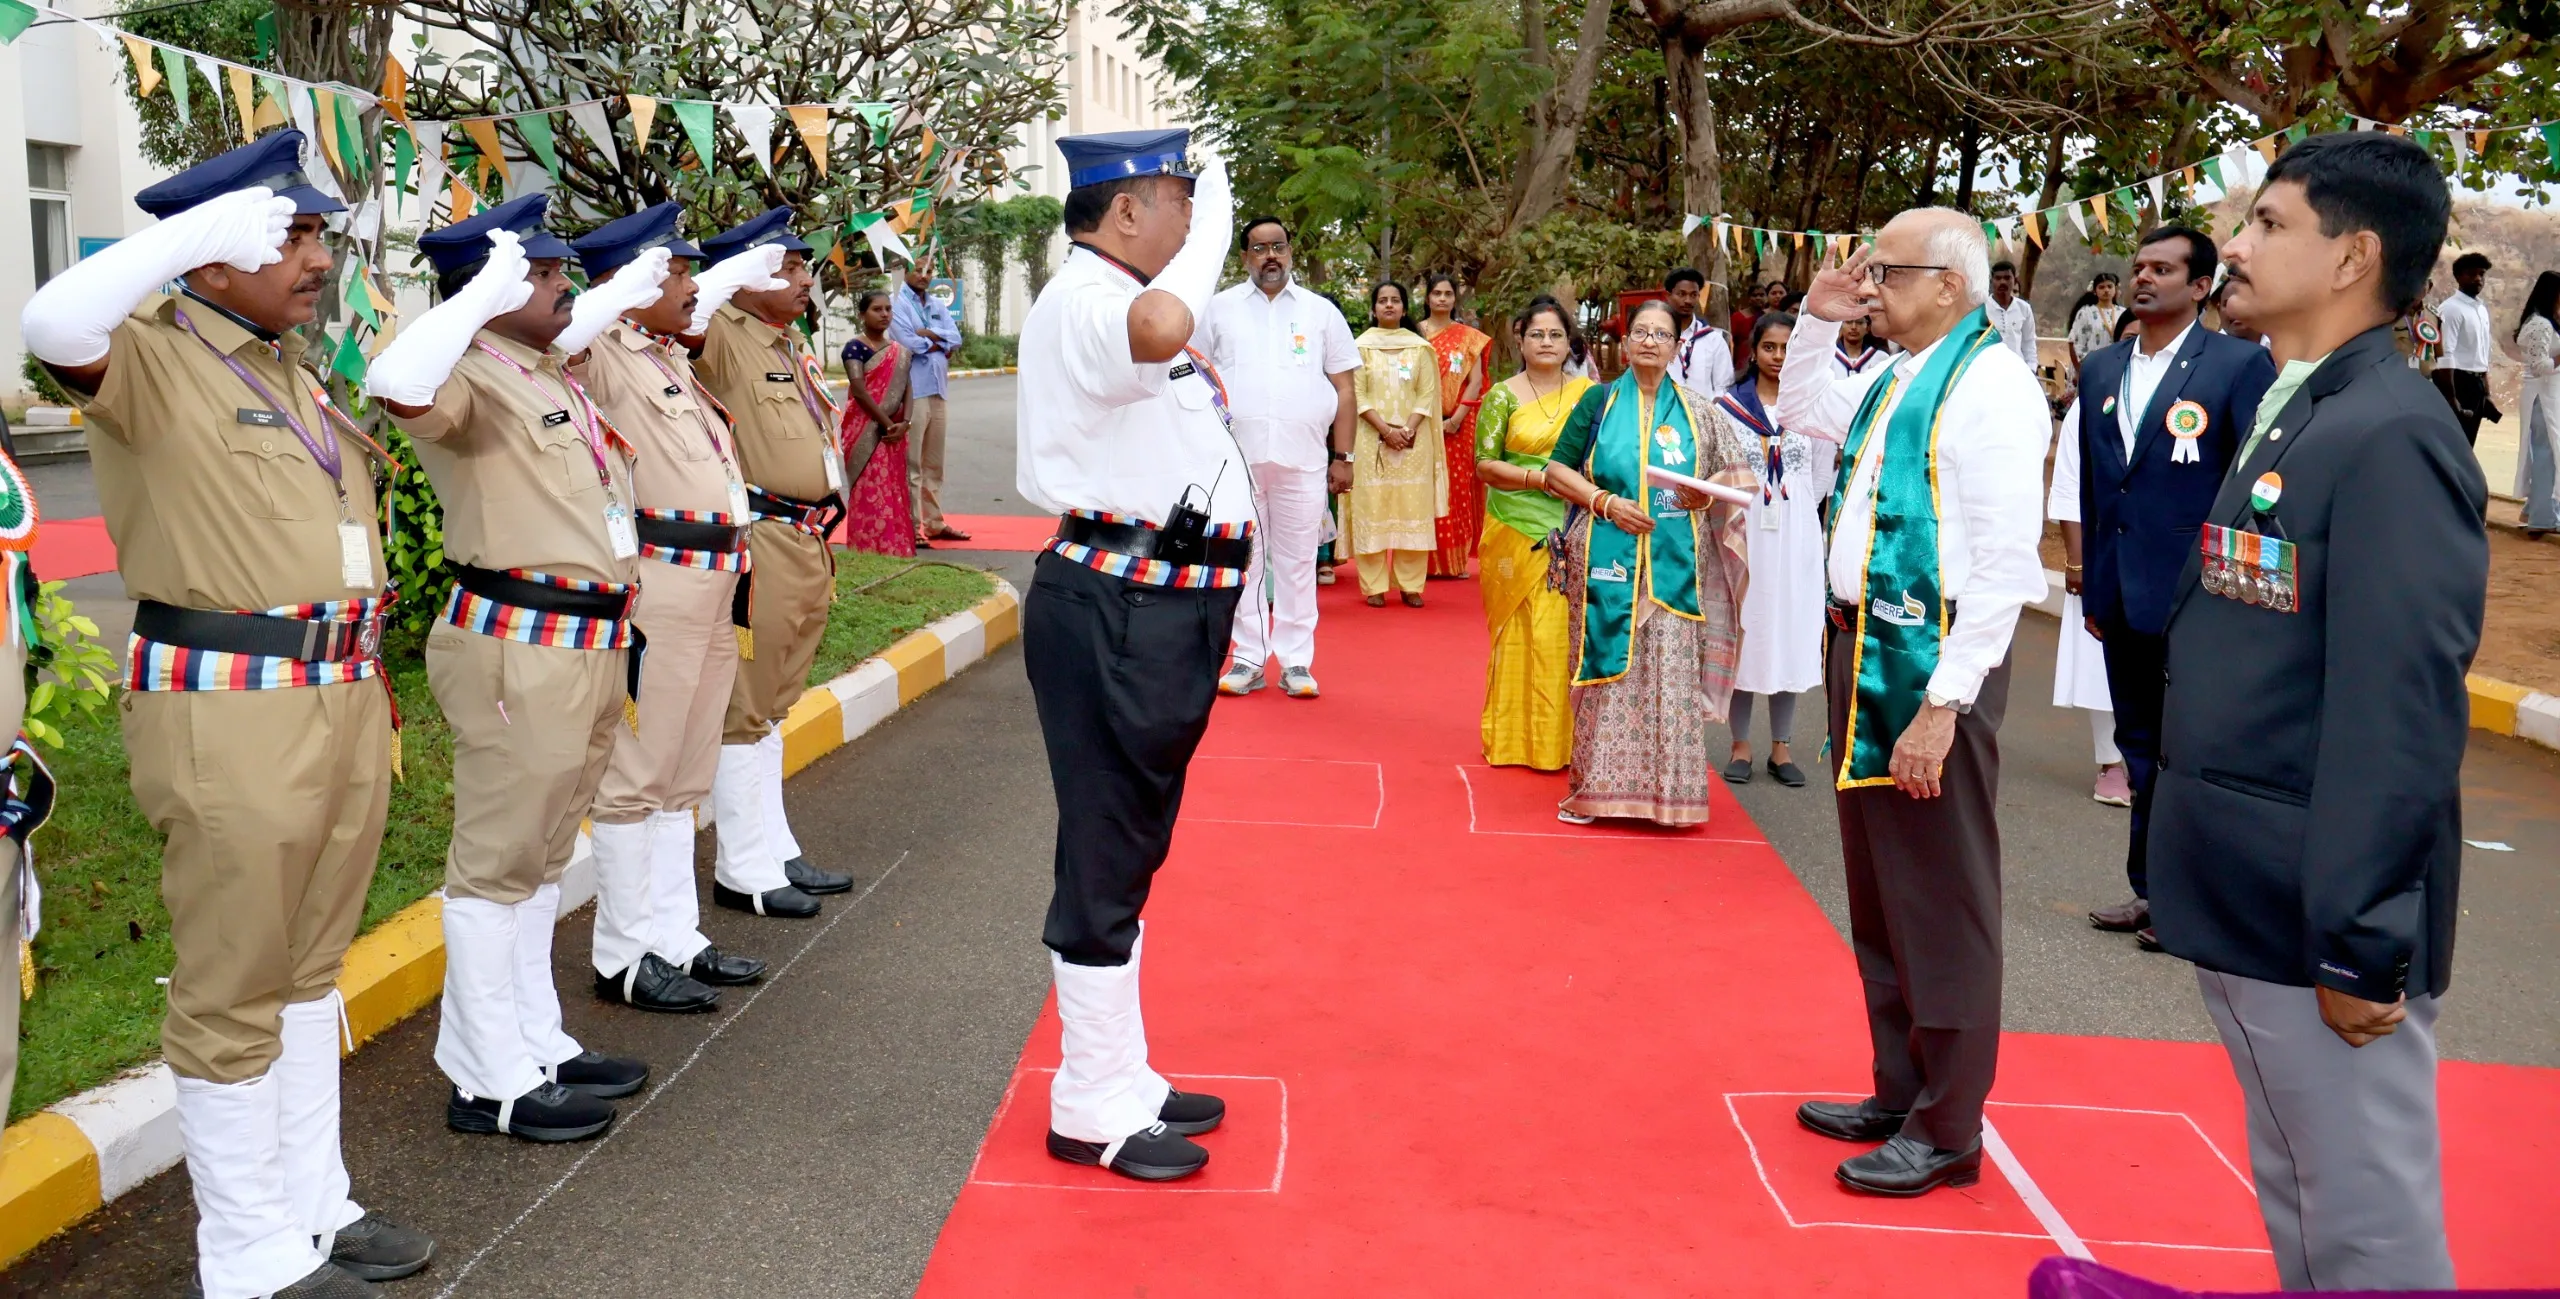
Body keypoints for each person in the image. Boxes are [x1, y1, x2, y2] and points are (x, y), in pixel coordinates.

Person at [22, 131, 435, 1294]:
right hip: (233, 705)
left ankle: (315, 1207)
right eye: (287, 236)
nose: (313, 259)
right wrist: (181, 240)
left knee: (308, 969)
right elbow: (50, 326)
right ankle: (248, 1259)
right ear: (208, 257)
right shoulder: (155, 358)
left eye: (316, 234)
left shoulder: (283, 365)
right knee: (233, 983)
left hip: (340, 694)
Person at [2150, 131, 2483, 1293]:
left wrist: (2358, 941)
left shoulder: (2388, 430)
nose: (2232, 248)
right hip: (2258, 894)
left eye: (2270, 225)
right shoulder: (2307, 408)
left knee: (2364, 1232)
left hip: (2316, 918)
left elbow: (2397, 713)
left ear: (2352, 258)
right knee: (2308, 1202)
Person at [365, 195, 654, 1150]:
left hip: (588, 644)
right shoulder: (466, 373)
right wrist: (476, 299)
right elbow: (395, 388)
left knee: (539, 857)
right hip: (518, 646)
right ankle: (487, 1078)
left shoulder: (542, 370)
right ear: (486, 290)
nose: (561, 284)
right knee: (495, 865)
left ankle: (536, 1043)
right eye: (540, 273)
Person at [1774, 210, 2050, 1197]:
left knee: (1940, 897)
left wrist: (1942, 706)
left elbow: (2008, 564)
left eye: (1886, 272)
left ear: (1948, 283)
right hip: (1863, 649)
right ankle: (1899, 1087)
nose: (1870, 284)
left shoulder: (1992, 389)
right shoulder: (1897, 376)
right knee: (1882, 894)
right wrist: (1815, 320)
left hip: (1929, 670)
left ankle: (1947, 1125)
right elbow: (1804, 411)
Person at [1015, 128, 1245, 1182]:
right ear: (1124, 212)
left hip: (1161, 602)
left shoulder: (1109, 298)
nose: (1193, 222)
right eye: (1178, 200)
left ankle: (1126, 1071)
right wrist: (1219, 236)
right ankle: (1088, 1102)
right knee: (1106, 850)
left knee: (1132, 843)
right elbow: (1162, 321)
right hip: (1118, 604)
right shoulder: (1095, 300)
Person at [563, 204, 769, 1015]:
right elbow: (567, 341)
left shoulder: (661, 355)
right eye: (674, 272)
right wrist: (615, 296)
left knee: (683, 773)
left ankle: (673, 934)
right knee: (636, 776)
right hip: (664, 577)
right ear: (627, 281)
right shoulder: (603, 350)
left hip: (714, 580)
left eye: (685, 271)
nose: (689, 286)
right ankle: (623, 951)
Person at [2072, 225, 2277, 944]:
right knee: (2139, 745)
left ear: (2200, 287)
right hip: (2121, 598)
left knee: (2194, 750)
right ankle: (2151, 888)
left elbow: (2255, 492)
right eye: (2138, 266)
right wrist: (2094, 588)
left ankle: (2196, 901)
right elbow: (2099, 491)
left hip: (2200, 600)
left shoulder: (2237, 366)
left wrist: (2241, 596)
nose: (2143, 278)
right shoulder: (2099, 370)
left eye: (2163, 268)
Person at [692, 208, 857, 918]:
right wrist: (727, 276)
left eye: (803, 265)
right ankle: (743, 868)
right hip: (762, 534)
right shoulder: (722, 334)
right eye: (785, 267)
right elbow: (687, 314)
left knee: (774, 702)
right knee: (746, 706)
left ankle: (774, 846)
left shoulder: (785, 343)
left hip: (804, 537)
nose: (802, 279)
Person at [1538, 300, 1754, 825]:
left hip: (1675, 566)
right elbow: (1554, 471)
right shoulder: (1599, 402)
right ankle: (1594, 790)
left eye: (1662, 334)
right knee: (1604, 672)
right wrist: (1605, 502)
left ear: (1677, 347)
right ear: (1626, 343)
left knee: (1668, 676)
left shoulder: (1702, 412)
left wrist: (1703, 498)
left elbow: (1737, 479)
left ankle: (1671, 800)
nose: (1650, 342)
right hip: (1605, 560)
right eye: (1641, 333)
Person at [1202, 215, 1358, 699]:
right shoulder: (1218, 310)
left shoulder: (1320, 313)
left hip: (1304, 459)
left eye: (1279, 247)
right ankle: (1248, 659)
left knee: (1296, 562)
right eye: (1259, 248)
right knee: (1245, 562)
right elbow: (1196, 378)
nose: (1271, 256)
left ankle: (1296, 663)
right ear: (1245, 256)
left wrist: (1344, 455)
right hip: (1235, 463)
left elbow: (1346, 388)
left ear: (1290, 252)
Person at [1472, 297, 1591, 771]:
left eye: (1555, 335)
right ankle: (1510, 740)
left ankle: (1555, 743)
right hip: (1512, 524)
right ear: (1519, 341)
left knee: (1558, 632)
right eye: (1537, 334)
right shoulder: (1503, 394)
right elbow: (1484, 463)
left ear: (1569, 344)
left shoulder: (1588, 395)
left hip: (1569, 523)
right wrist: (1539, 479)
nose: (1546, 342)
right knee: (1516, 631)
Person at [1716, 312, 1832, 788]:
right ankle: (1741, 745)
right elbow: (1719, 467)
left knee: (1790, 633)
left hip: (1797, 533)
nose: (1778, 358)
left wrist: (1796, 508)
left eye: (1787, 348)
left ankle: (1781, 747)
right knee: (1751, 631)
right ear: (1754, 351)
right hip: (1747, 533)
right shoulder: (1727, 407)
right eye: (1769, 348)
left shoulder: (1811, 406)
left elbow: (1822, 474)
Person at [2047, 389, 2128, 810]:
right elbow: (2069, 478)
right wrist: (2077, 560)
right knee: (2101, 657)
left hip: (2170, 546)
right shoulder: (2100, 390)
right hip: (2103, 542)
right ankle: (2111, 762)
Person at [1348, 281, 1446, 607]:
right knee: (1372, 505)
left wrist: (1407, 428)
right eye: (1382, 301)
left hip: (1414, 442)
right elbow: (1357, 395)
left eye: (1395, 301)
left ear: (1404, 308)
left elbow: (1427, 393)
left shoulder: (1420, 348)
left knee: (1411, 506)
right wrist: (1385, 430)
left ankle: (1410, 585)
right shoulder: (1360, 348)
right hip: (1370, 439)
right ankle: (1374, 585)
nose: (1389, 306)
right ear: (1373, 309)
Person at [892, 252, 970, 543]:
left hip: (938, 389)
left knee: (934, 464)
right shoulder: (896, 303)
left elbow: (956, 338)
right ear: (907, 271)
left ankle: (935, 523)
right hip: (913, 390)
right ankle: (912, 528)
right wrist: (939, 341)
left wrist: (929, 333)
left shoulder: (937, 304)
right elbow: (908, 342)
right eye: (918, 269)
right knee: (911, 465)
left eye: (929, 270)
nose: (924, 275)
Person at [1418, 273, 1492, 578]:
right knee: (1423, 486)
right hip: (1420, 421)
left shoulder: (1467, 337)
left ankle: (1454, 561)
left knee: (1456, 488)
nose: (1442, 299)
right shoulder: (1414, 333)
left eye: (1448, 294)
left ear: (1454, 299)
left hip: (1458, 424)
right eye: (1437, 293)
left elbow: (1475, 382)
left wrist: (1455, 419)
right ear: (1427, 298)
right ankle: (1420, 560)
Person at [840, 289, 918, 556]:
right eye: (877, 309)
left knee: (894, 489)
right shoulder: (855, 348)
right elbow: (860, 391)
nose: (884, 314)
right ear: (862, 314)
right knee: (869, 490)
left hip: (894, 431)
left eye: (888, 309)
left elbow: (908, 387)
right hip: (865, 430)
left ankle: (896, 548)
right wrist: (887, 424)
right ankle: (867, 550)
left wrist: (905, 422)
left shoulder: (899, 352)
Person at [2514, 270, 2560, 535]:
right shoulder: (2540, 325)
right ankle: (2542, 517)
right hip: (2541, 398)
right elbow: (2541, 365)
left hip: (2550, 396)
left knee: (2550, 453)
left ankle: (2538, 508)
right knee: (2546, 455)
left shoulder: (2547, 322)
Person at [2433, 251, 2494, 447]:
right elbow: (2445, 354)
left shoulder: (2481, 309)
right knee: (2453, 445)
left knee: (2468, 445)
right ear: (2459, 277)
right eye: (2471, 274)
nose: (2478, 279)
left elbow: (2482, 354)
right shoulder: (2451, 309)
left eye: (2481, 274)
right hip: (2457, 382)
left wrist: (2486, 394)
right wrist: (2451, 398)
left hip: (2476, 384)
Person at [1663, 266, 1736, 399]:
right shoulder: (1656, 337)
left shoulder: (1714, 340)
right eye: (1681, 294)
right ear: (1668, 296)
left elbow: (1723, 387)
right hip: (1664, 415)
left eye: (1693, 295)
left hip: (1703, 416)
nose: (1688, 300)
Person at [1982, 260, 2038, 371]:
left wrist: (2031, 368)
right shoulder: (1982, 308)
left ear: (2015, 281)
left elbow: (2029, 342)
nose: (2002, 282)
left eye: (2007, 278)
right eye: (1998, 278)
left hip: (2018, 371)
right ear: (1991, 281)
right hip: (1989, 371)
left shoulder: (2024, 308)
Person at [2067, 271, 2123, 376]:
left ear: (2115, 289)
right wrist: (2080, 370)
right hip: (2092, 368)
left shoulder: (2123, 313)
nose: (2106, 290)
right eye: (2101, 287)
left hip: (2117, 368)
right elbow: (2075, 343)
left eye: (2109, 286)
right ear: (2094, 291)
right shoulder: (2085, 313)